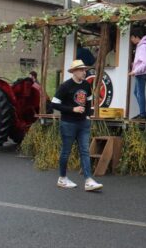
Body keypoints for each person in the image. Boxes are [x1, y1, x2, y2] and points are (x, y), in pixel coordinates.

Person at [51, 59, 103, 192]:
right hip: (68, 123)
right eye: (81, 70)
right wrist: (72, 109)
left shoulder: (86, 85)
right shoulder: (65, 86)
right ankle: (62, 178)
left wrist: (87, 115)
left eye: (85, 70)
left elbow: (89, 101)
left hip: (83, 123)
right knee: (66, 151)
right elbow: (54, 104)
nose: (84, 72)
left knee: (85, 151)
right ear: (74, 72)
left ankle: (88, 180)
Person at [129, 27, 146, 120]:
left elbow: (145, 63)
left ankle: (143, 115)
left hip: (142, 73)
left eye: (131, 37)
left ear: (136, 37)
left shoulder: (143, 47)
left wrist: (134, 71)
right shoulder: (141, 45)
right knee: (137, 92)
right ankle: (142, 113)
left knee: (139, 93)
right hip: (141, 73)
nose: (131, 40)